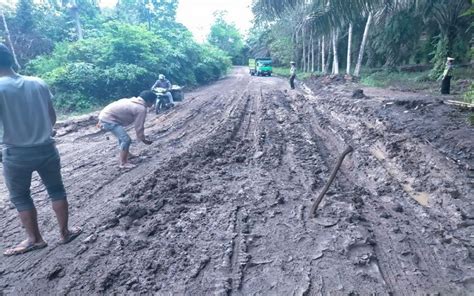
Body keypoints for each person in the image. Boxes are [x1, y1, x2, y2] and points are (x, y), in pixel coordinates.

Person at [0, 43, 81, 256]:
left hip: (16, 154)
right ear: (11, 59)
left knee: (21, 197)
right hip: (47, 149)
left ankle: (35, 239)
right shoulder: (38, 82)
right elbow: (52, 117)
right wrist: (45, 131)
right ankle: (65, 232)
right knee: (56, 190)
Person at [98, 91, 156, 168]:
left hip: (104, 117)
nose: (153, 104)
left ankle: (127, 154)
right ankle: (123, 163)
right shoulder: (141, 108)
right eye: (153, 102)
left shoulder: (133, 101)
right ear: (149, 101)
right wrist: (143, 139)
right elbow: (139, 126)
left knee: (122, 138)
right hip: (109, 120)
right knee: (126, 140)